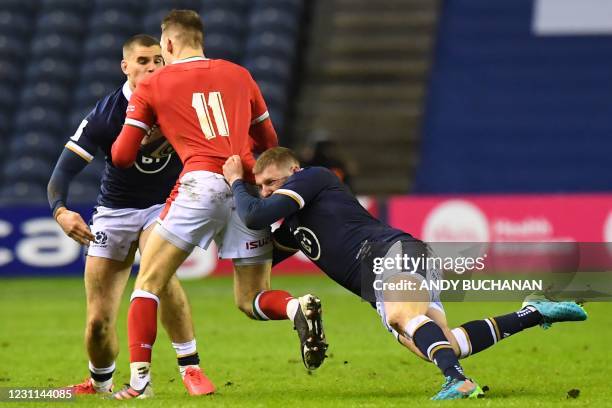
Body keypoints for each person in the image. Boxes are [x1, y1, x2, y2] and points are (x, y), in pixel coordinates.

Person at [221, 147, 588, 400]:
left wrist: (237, 182)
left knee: (402, 316)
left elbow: (254, 215)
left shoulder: (314, 178)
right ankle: (533, 313)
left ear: (293, 173)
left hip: (390, 254)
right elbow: (258, 254)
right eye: (262, 186)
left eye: (272, 182)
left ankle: (458, 382)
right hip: (379, 279)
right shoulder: (292, 230)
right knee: (447, 343)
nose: (268, 191)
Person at [109, 10, 327, 399]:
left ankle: (140, 383)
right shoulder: (239, 74)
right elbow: (268, 140)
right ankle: (297, 308)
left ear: (170, 44)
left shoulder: (153, 86)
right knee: (250, 299)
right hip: (244, 187)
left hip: (200, 185)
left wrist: (153, 130)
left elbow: (123, 156)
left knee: (148, 284)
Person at [47, 34, 213, 396]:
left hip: (164, 205)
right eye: (142, 61)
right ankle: (100, 383)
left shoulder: (181, 103)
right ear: (126, 67)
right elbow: (61, 174)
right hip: (114, 213)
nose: (152, 67)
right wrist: (60, 212)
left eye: (158, 60)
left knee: (159, 278)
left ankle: (190, 367)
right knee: (97, 323)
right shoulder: (106, 114)